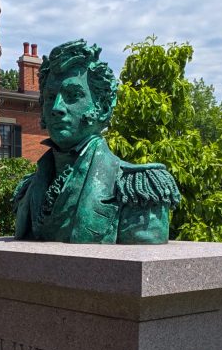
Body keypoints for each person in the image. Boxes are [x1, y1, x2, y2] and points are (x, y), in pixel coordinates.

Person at [13, 39, 180, 243]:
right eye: (50, 97)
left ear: (102, 107)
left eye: (72, 95)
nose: (57, 107)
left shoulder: (136, 188)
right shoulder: (29, 189)